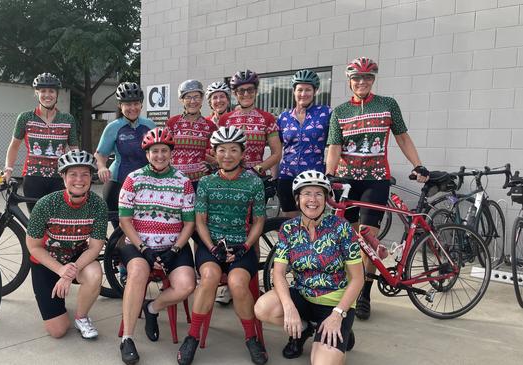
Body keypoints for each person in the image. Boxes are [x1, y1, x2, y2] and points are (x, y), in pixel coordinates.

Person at [325, 57, 429, 320]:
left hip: (376, 179)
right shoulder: (339, 112)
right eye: (357, 78)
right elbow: (335, 147)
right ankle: (346, 288)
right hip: (347, 182)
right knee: (346, 239)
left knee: (368, 240)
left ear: (373, 80)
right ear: (349, 81)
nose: (362, 82)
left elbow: (402, 137)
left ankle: (365, 294)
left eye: (368, 78)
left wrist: (418, 165)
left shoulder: (387, 105)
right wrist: (329, 174)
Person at [177, 126, 268, 365]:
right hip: (212, 245)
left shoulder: (253, 182)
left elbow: (259, 221)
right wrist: (212, 246)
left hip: (242, 247)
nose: (227, 155)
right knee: (208, 278)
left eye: (233, 150)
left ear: (242, 153)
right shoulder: (206, 183)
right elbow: (200, 221)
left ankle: (251, 338)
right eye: (222, 150)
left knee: (238, 284)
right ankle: (192, 337)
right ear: (214, 153)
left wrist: (246, 246)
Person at [254, 171, 363, 364]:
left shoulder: (342, 227)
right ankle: (304, 329)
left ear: (326, 199)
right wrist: (289, 308)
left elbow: (357, 279)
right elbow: (278, 273)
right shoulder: (289, 229)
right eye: (306, 193)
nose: (312, 199)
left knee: (321, 362)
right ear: (298, 199)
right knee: (263, 308)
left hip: (334, 304)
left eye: (319, 194)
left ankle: (340, 330)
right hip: (303, 296)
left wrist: (338, 314)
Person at [117, 128, 196, 365]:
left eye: (164, 151)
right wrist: (145, 249)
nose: (159, 155)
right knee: (138, 272)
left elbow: (189, 223)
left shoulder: (183, 182)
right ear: (147, 154)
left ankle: (152, 308)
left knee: (186, 286)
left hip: (174, 246)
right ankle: (127, 339)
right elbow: (124, 221)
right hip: (139, 245)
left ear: (171, 153)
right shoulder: (134, 179)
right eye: (154, 151)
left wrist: (174, 250)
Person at [25, 149, 107, 339]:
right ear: (63, 176)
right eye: (73, 174)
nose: (79, 179)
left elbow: (95, 247)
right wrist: (60, 271)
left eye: (85, 174)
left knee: (94, 273)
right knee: (58, 331)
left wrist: (70, 271)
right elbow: (34, 246)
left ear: (91, 177)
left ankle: (81, 317)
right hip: (46, 262)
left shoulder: (98, 205)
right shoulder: (46, 204)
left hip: (75, 258)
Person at [3, 73, 78, 212]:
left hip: (59, 178)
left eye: (51, 91)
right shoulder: (25, 118)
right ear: (36, 93)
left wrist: (77, 175)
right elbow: (14, 146)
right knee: (37, 223)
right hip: (33, 178)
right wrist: (8, 170)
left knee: (58, 223)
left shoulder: (68, 119)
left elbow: (74, 150)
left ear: (57, 94)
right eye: (43, 91)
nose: (47, 95)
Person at [276, 69, 331, 218]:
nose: (303, 94)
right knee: (290, 222)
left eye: (308, 90)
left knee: (311, 220)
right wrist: (275, 177)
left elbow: (335, 144)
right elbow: (278, 148)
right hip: (286, 176)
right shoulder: (283, 117)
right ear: (294, 91)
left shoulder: (325, 113)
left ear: (315, 91)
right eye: (300, 89)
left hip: (313, 176)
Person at [95, 82, 156, 214]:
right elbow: (100, 154)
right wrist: (102, 167)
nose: (132, 108)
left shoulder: (150, 125)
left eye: (136, 103)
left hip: (146, 182)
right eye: (128, 104)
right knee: (118, 227)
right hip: (117, 181)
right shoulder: (113, 127)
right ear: (120, 105)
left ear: (141, 104)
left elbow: (160, 152)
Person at [218, 70, 281, 176]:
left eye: (250, 90)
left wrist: (257, 170)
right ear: (235, 94)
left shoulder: (268, 118)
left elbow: (277, 153)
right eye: (241, 91)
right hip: (229, 176)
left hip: (256, 178)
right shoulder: (225, 119)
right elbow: (218, 151)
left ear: (256, 91)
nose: (246, 94)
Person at [166, 80, 217, 191]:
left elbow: (221, 153)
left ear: (202, 99)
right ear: (182, 100)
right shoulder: (172, 123)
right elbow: (165, 150)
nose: (192, 101)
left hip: (199, 183)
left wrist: (212, 166)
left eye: (196, 97)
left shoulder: (210, 126)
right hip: (174, 181)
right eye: (188, 97)